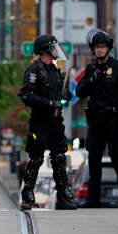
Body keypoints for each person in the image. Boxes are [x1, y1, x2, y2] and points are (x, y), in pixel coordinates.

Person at [74, 28, 118, 208]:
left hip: (114, 118)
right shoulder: (90, 69)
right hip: (97, 120)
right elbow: (79, 91)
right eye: (97, 47)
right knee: (94, 158)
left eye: (103, 46)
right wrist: (91, 80)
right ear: (93, 49)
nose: (99, 50)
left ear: (108, 48)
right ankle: (93, 199)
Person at [18, 34, 78, 211]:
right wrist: (50, 104)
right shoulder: (34, 70)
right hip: (40, 121)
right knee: (36, 158)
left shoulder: (54, 70)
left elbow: (60, 95)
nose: (55, 51)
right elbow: (27, 96)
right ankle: (28, 194)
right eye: (53, 47)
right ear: (45, 50)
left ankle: (63, 195)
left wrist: (65, 96)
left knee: (59, 157)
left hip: (55, 122)